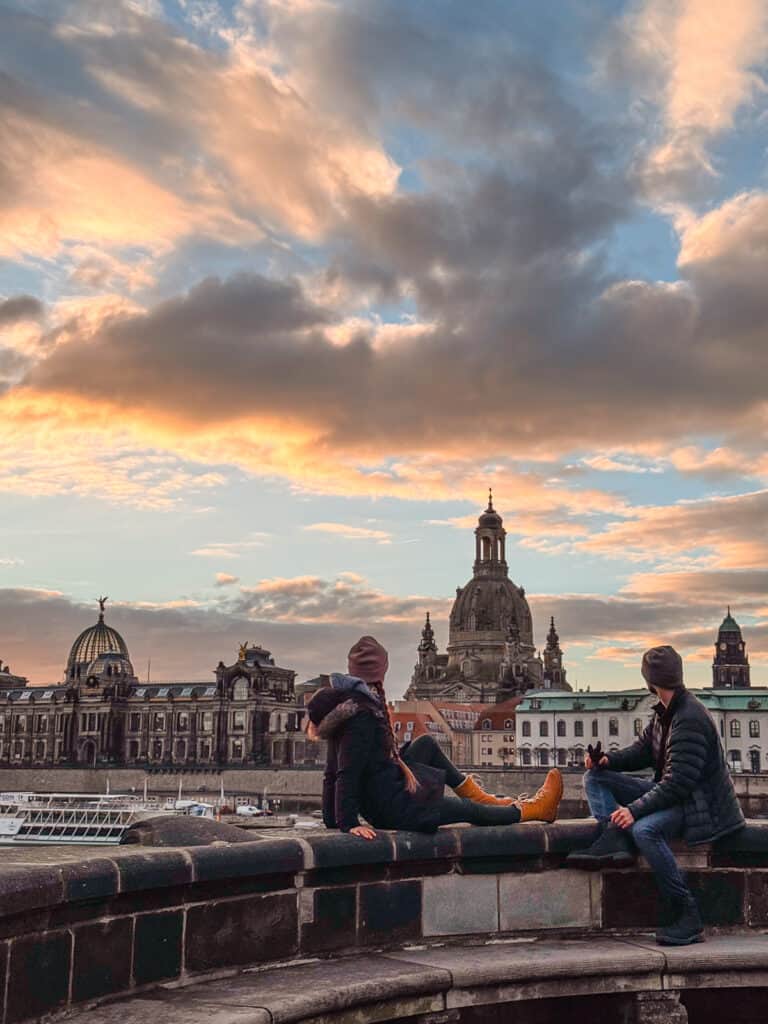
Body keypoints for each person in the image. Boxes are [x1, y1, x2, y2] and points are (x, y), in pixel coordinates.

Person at [566, 645, 745, 946]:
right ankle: (616, 839)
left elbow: (678, 784)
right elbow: (643, 751)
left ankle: (688, 914)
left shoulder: (688, 717)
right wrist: (607, 760)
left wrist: (634, 810)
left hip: (701, 805)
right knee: (595, 776)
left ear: (650, 682)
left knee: (645, 830)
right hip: (679, 794)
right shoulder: (666, 711)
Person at [306, 635, 563, 838]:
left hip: (388, 786)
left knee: (426, 744)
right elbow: (345, 772)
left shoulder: (348, 706)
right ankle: (533, 809)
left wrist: (331, 818)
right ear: (380, 673)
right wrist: (347, 823)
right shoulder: (362, 712)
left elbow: (332, 770)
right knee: (471, 812)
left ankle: (476, 793)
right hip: (394, 806)